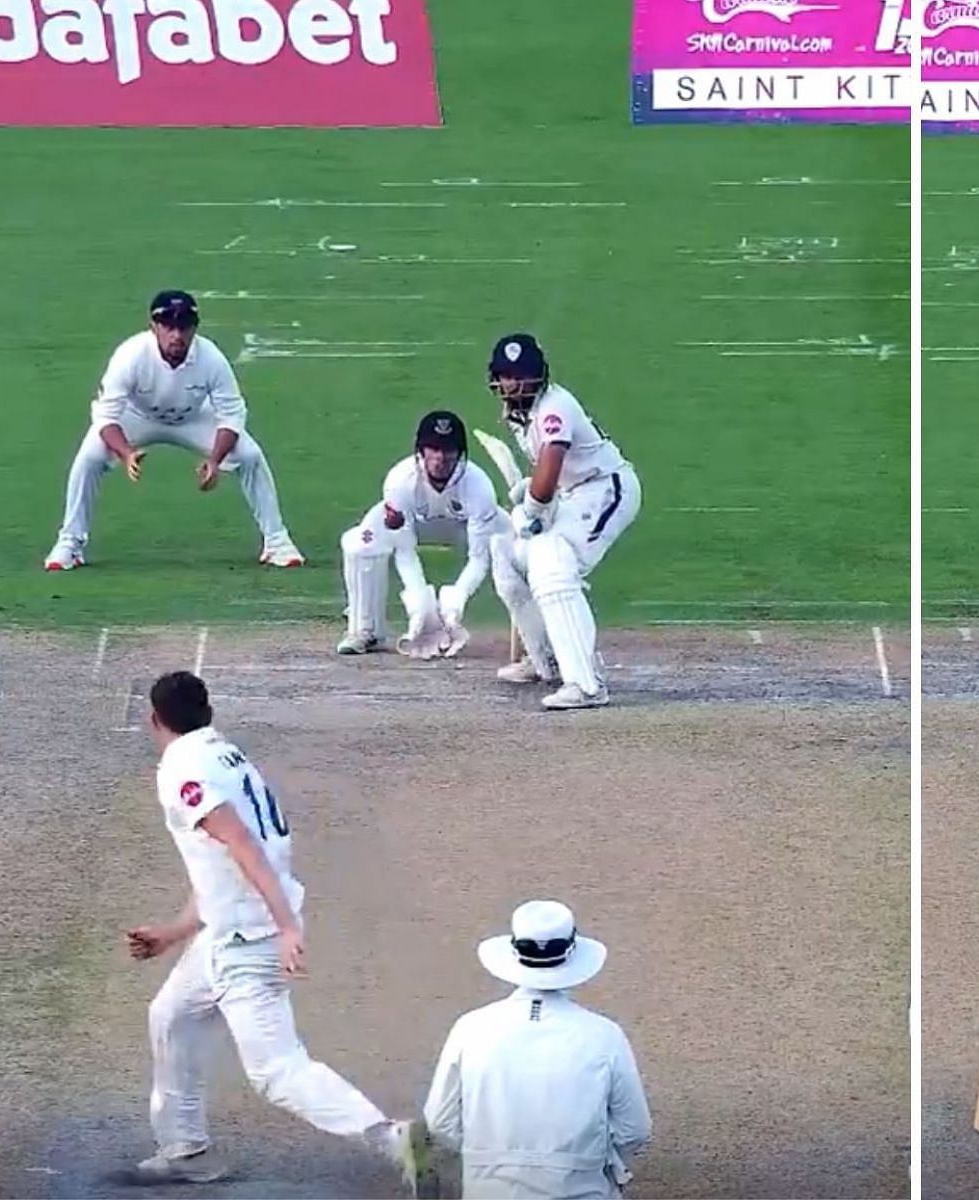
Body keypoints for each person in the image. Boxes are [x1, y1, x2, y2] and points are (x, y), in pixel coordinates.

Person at [124, 670, 432, 1191]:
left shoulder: (180, 769)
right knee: (171, 1016)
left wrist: (286, 927)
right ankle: (184, 1149)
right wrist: (174, 932)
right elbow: (222, 865)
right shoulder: (225, 753)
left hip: (250, 941)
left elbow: (242, 845)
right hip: (228, 933)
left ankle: (389, 1137)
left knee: (277, 1072)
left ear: (155, 720)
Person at [46, 289, 302, 571]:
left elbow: (231, 416)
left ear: (194, 329)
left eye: (184, 327)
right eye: (168, 326)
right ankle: (70, 544)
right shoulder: (130, 355)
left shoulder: (211, 359)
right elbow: (106, 416)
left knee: (250, 455)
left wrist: (215, 461)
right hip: (136, 416)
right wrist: (127, 453)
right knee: (90, 457)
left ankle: (277, 542)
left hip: (192, 417)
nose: (176, 336)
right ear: (154, 327)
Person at [423, 900, 652, 1198]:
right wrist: (583, 1163)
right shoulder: (604, 1036)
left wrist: (489, 1159)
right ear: (572, 955)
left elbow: (440, 1123)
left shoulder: (470, 1028)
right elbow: (635, 1129)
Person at [484, 334, 642, 710]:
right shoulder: (519, 412)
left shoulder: (553, 407)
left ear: (537, 376)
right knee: (506, 552)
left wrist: (535, 509)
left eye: (519, 376)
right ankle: (547, 659)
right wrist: (532, 493)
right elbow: (545, 471)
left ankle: (586, 684)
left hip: (606, 489)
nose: (511, 384)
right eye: (505, 376)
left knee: (552, 564)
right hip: (574, 493)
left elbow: (552, 463)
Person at [337, 410, 503, 657]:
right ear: (421, 451)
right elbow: (404, 551)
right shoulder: (399, 481)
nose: (440, 458)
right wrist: (421, 605)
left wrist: (457, 599)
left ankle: (534, 637)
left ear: (460, 454)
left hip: (462, 528)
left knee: (518, 542)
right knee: (359, 545)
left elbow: (479, 558)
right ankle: (365, 630)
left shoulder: (479, 486)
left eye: (448, 451)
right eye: (433, 449)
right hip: (415, 525)